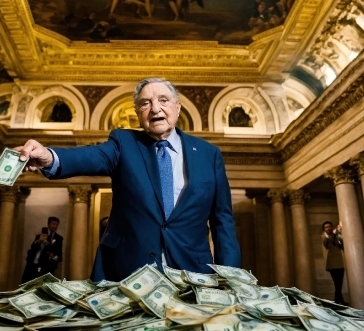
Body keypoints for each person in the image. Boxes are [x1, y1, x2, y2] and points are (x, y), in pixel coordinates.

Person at [15, 78, 241, 282]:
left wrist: (231, 278)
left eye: (163, 100)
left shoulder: (208, 154)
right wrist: (48, 157)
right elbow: (90, 157)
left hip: (192, 272)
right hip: (126, 272)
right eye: (145, 103)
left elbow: (222, 221)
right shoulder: (124, 143)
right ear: (137, 113)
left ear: (177, 107)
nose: (155, 108)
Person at [21, 217, 63, 283]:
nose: (55, 226)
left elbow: (59, 254)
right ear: (48, 224)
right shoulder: (39, 236)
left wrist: (53, 257)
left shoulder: (59, 238)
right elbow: (33, 247)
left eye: (56, 224)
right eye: (53, 224)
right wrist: (39, 241)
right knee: (28, 282)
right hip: (33, 264)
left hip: (47, 266)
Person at [322, 221, 346, 304]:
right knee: (337, 283)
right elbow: (328, 243)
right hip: (332, 265)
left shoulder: (336, 236)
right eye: (326, 227)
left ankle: (338, 300)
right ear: (324, 229)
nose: (328, 228)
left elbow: (341, 245)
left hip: (340, 263)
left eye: (329, 226)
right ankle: (338, 301)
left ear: (332, 227)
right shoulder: (325, 237)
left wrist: (338, 233)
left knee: (339, 283)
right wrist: (334, 233)